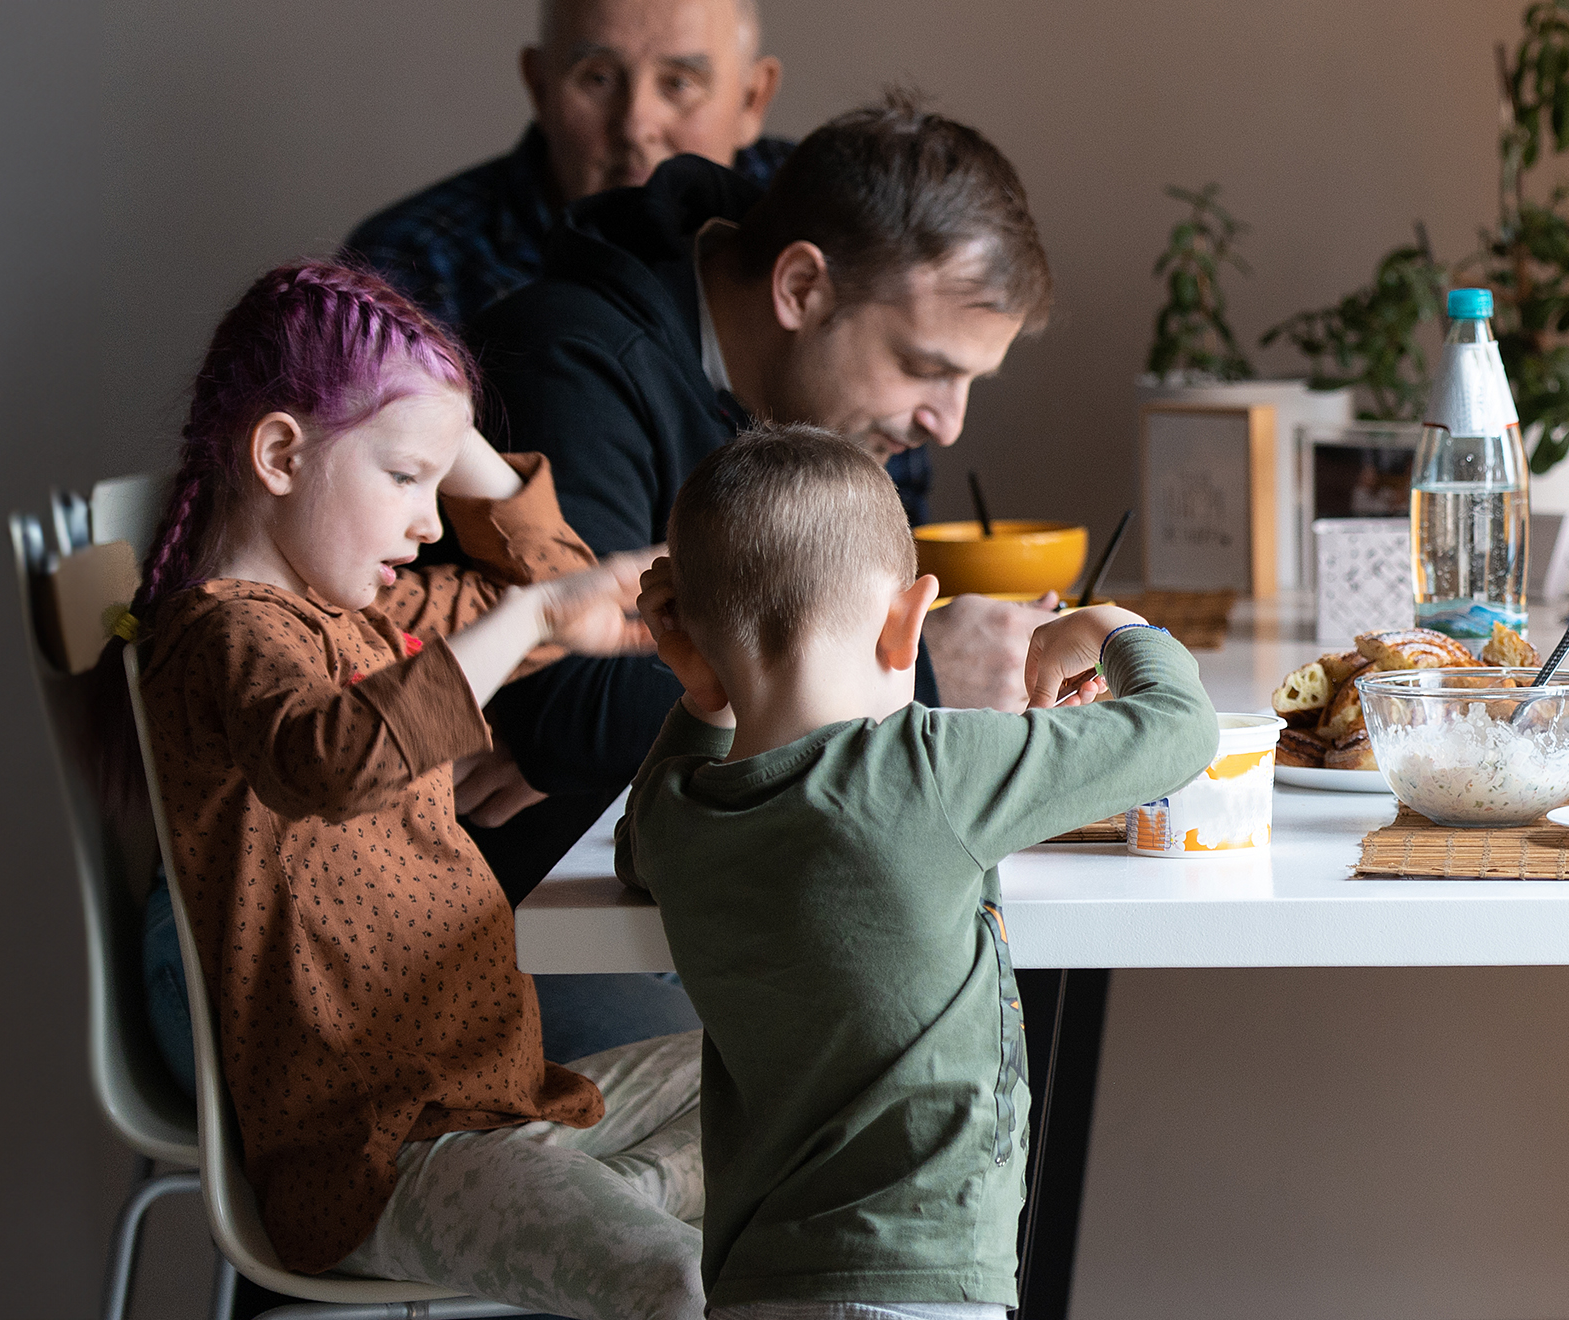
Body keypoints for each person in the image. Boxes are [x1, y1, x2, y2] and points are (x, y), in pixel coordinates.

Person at [117, 260, 708, 1318]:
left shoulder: (365, 618)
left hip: (507, 1101)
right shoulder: (219, 637)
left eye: (437, 487)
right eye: (403, 481)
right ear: (280, 454)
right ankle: (592, 1217)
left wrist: (449, 441)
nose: (432, 522)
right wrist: (526, 623)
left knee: (808, 1073)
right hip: (381, 1150)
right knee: (678, 1281)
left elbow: (544, 579)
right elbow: (331, 761)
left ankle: (590, 1207)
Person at [614, 426, 1217, 1317]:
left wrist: (704, 699)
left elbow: (637, 841)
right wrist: (1110, 624)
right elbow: (1180, 728)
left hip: (751, 1282)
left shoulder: (683, 814)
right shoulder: (927, 768)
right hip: (919, 1277)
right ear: (911, 617)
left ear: (689, 636)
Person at [445, 89, 1060, 920]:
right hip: (514, 927)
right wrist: (915, 668)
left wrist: (648, 726)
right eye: (925, 366)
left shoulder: (792, 404)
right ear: (802, 287)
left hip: (685, 875)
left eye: (969, 382)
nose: (947, 425)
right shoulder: (567, 362)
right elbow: (567, 706)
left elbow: (591, 723)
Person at [342, 0, 793, 331]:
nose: (635, 125)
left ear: (753, 100)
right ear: (539, 87)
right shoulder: (412, 266)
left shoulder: (823, 211)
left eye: (679, 83)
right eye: (598, 78)